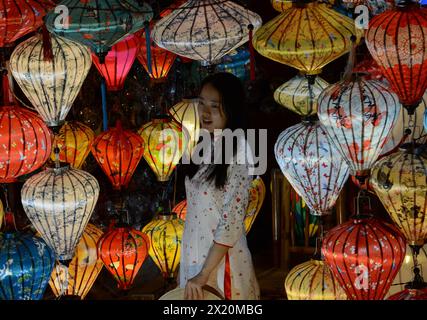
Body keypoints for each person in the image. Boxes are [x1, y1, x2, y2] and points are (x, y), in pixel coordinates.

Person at [179, 72, 260, 300]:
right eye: (202, 103)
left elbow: (231, 223)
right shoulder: (202, 147)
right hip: (193, 257)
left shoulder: (240, 152)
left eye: (214, 106)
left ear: (231, 109)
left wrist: (204, 274)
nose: (205, 112)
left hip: (221, 265)